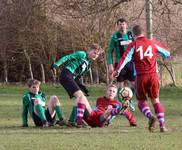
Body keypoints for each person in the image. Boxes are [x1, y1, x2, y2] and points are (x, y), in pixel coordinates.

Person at [112, 25, 170, 132]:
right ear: (143, 33)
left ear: (133, 35)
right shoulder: (152, 43)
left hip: (141, 76)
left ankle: (150, 116)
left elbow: (125, 58)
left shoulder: (133, 44)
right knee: (156, 100)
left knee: (141, 102)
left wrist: (117, 71)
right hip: (153, 76)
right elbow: (167, 53)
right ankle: (162, 126)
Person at [51, 43, 103, 127]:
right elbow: (67, 57)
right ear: (89, 50)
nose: (95, 55)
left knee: (82, 97)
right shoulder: (82, 54)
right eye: (94, 52)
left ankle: (83, 119)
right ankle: (72, 121)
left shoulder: (89, 65)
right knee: (80, 97)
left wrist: (82, 87)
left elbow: (77, 77)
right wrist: (57, 64)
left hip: (71, 77)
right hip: (66, 75)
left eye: (97, 54)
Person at [107, 17, 137, 126]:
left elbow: (136, 48)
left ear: (126, 25)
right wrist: (110, 64)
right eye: (119, 24)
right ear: (117, 26)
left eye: (123, 24)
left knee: (134, 84)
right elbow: (110, 51)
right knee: (120, 85)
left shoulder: (131, 35)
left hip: (130, 63)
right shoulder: (115, 36)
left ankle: (128, 100)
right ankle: (122, 104)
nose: (122, 25)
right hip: (119, 64)